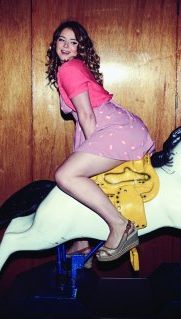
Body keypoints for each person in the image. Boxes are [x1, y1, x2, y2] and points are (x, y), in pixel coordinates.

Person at [45, 20, 155, 263]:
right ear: (55, 44)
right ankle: (82, 242)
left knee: (65, 176)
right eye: (62, 40)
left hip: (114, 130)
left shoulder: (68, 69)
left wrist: (89, 149)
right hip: (115, 127)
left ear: (80, 48)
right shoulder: (75, 67)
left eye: (73, 42)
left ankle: (121, 226)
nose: (66, 46)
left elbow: (86, 115)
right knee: (79, 180)